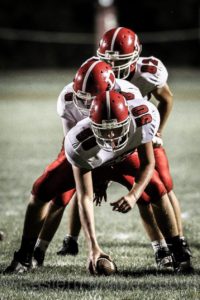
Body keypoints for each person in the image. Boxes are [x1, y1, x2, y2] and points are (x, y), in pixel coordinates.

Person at [59, 27, 191, 264]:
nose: (113, 66)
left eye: (119, 60)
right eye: (107, 60)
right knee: (81, 185)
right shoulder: (96, 74)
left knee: (160, 187)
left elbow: (166, 99)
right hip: (101, 137)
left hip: (136, 132)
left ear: (136, 55)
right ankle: (71, 240)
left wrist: (157, 131)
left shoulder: (146, 75)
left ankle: (178, 245)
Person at [64, 90, 191, 273]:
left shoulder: (142, 116)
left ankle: (178, 250)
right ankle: (35, 251)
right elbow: (85, 196)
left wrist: (133, 195)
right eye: (104, 129)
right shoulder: (77, 141)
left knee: (156, 187)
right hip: (95, 157)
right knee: (48, 187)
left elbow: (148, 164)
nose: (111, 136)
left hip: (128, 153)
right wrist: (93, 246)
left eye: (116, 128)